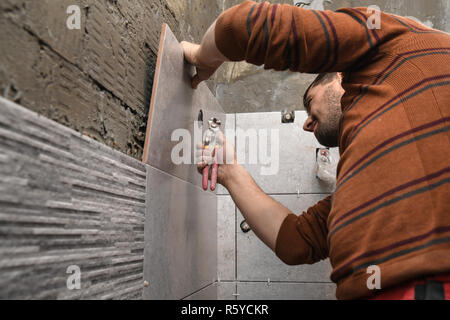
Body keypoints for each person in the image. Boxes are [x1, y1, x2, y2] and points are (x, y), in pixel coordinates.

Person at [182, 0, 450, 300]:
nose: (307, 124)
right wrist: (230, 172)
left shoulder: (403, 41)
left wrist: (200, 57)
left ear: (337, 74)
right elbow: (296, 242)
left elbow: (241, 26)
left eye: (309, 104)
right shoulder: (368, 184)